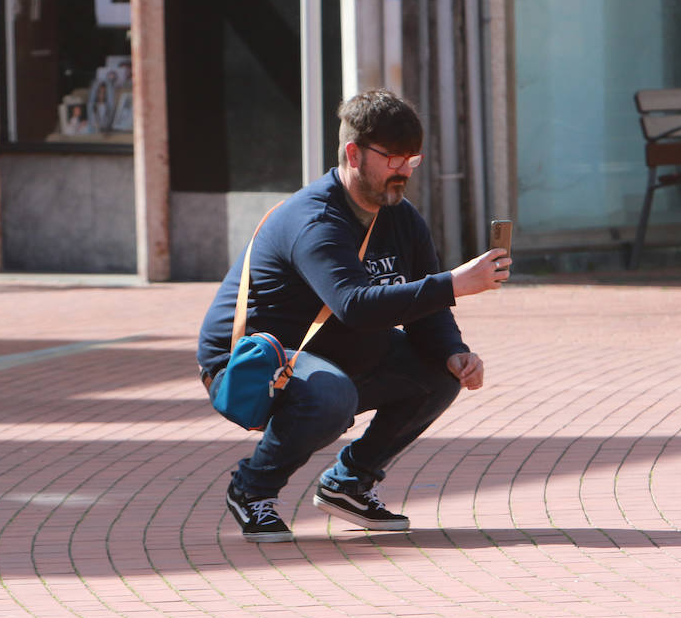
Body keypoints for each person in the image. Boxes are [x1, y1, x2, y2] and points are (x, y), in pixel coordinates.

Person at [197, 89, 512, 542]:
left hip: (333, 350)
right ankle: (252, 490)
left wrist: (453, 352)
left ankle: (349, 482)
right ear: (353, 153)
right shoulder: (314, 220)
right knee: (329, 394)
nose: (403, 171)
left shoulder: (400, 218)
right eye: (393, 158)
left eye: (412, 159)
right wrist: (456, 282)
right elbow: (354, 304)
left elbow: (425, 309)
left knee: (438, 374)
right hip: (252, 361)